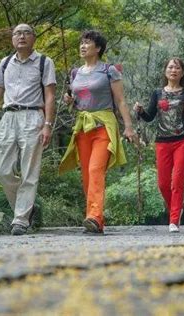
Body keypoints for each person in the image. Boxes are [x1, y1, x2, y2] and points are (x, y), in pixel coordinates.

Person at [0, 24, 56, 236]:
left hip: (33, 117)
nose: (21, 36)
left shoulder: (44, 62)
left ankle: (20, 219)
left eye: (26, 33)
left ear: (34, 38)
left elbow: (49, 96)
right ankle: (27, 208)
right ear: (12, 39)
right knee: (2, 171)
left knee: (30, 171)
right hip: (8, 117)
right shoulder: (5, 63)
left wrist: (48, 124)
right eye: (17, 33)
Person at [59, 30, 135, 234]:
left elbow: (120, 100)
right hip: (83, 126)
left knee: (95, 170)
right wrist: (69, 100)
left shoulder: (109, 70)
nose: (83, 46)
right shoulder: (75, 73)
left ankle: (94, 216)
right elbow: (76, 99)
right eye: (81, 43)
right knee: (86, 174)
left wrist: (128, 127)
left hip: (103, 125)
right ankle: (95, 220)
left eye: (88, 43)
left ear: (98, 48)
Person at [133, 58, 184, 233]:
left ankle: (174, 219)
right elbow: (150, 116)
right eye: (170, 67)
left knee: (178, 180)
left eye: (177, 67)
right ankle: (176, 207)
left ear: (182, 72)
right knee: (163, 183)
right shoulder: (157, 93)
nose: (173, 70)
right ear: (165, 71)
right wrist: (140, 111)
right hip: (162, 142)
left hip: (183, 140)